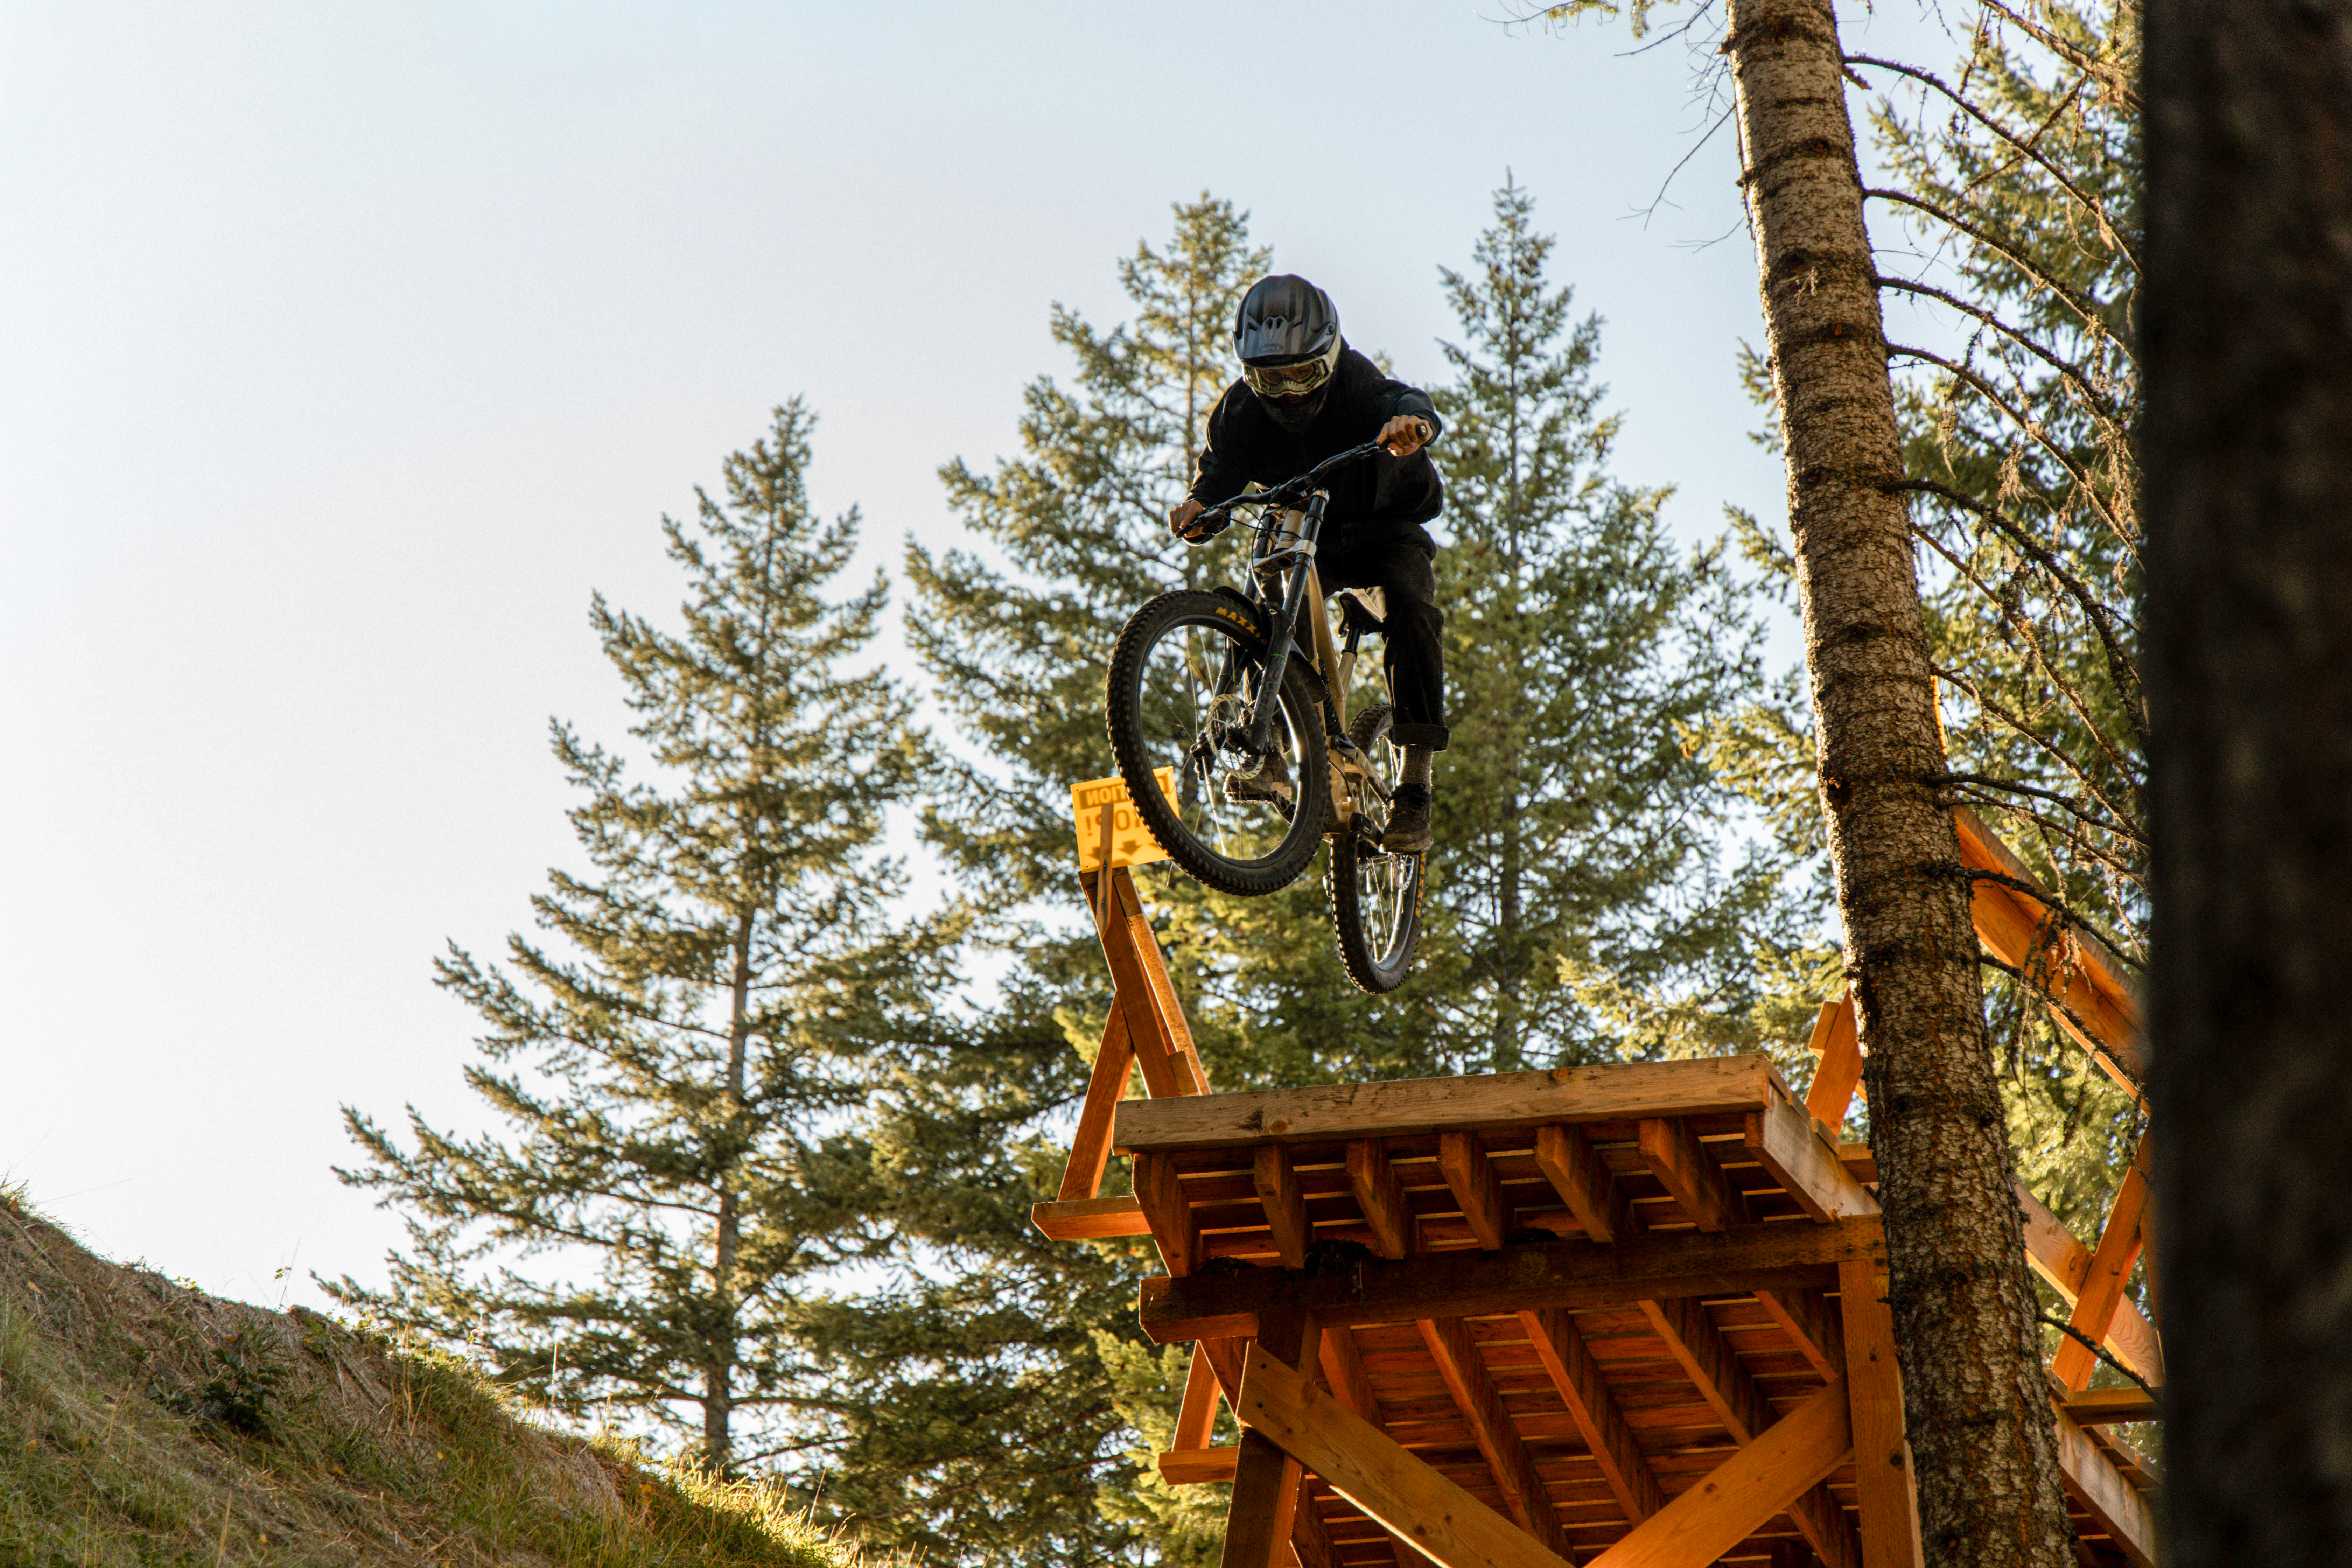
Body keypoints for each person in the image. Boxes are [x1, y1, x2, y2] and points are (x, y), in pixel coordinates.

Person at [1168, 273, 1447, 854]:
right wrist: (1200, 509)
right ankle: (1265, 744)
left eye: (1303, 374)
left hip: (1383, 527)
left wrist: (1411, 426)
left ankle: (1414, 784)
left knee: (1414, 610)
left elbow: (1404, 401)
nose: (1291, 391)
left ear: (1330, 356)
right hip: (1304, 525)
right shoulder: (1240, 411)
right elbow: (1219, 475)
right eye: (1274, 378)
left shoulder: (1356, 382)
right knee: (1262, 584)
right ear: (1250, 373)